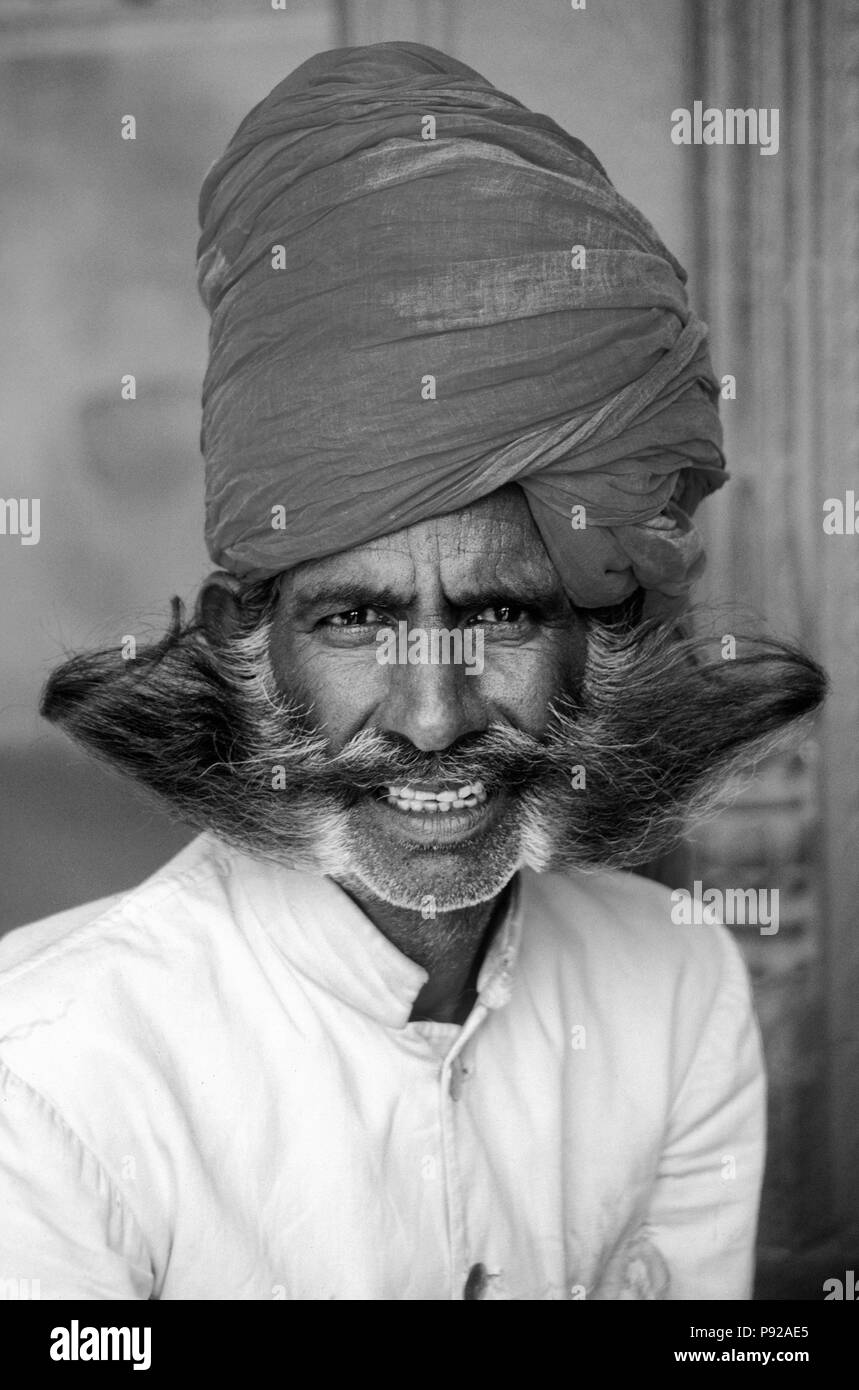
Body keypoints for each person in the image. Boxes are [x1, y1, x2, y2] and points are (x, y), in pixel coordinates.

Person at [0, 42, 824, 1300]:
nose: (434, 717)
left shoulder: (677, 982)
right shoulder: (51, 1070)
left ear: (593, 639)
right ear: (246, 639)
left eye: (497, 612)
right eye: (354, 622)